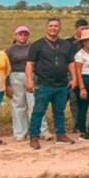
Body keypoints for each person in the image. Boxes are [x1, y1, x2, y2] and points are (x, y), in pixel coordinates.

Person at [26, 18, 75, 149]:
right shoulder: (37, 45)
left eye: (56, 26)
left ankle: (61, 134)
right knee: (38, 111)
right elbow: (30, 64)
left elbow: (71, 63)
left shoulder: (66, 45)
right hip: (44, 84)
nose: (53, 28)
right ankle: (34, 137)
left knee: (59, 111)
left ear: (60, 28)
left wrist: (74, 78)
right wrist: (29, 80)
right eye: (51, 26)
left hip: (62, 84)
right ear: (46, 28)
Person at [5, 26, 49, 141]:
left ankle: (41, 130)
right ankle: (20, 132)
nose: (23, 37)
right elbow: (5, 68)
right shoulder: (10, 50)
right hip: (15, 76)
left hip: (32, 76)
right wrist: (7, 84)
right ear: (15, 35)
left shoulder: (34, 47)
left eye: (25, 34)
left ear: (28, 35)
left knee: (35, 104)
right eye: (20, 34)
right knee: (18, 105)